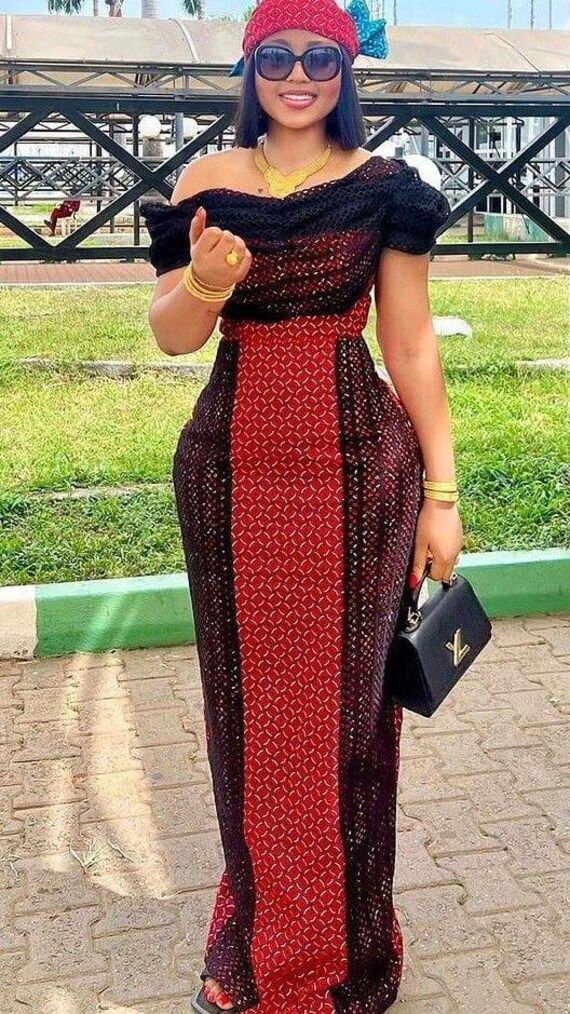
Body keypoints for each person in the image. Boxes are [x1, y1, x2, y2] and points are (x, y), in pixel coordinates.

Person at [141, 1, 463, 1010]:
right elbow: (172, 335)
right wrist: (204, 282)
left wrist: (443, 495)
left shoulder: (386, 188)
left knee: (348, 718)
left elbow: (410, 344)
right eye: (275, 55)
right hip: (230, 472)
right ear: (248, 66)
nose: (296, 74)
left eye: (319, 57)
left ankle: (345, 954)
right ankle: (257, 933)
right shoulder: (203, 181)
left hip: (361, 471)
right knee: (246, 713)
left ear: (345, 70)